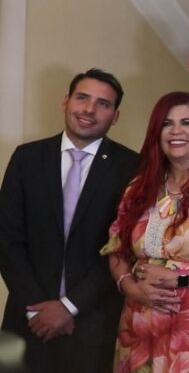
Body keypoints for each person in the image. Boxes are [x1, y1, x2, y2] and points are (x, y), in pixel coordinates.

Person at [0, 69, 138, 372]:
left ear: (115, 116)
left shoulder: (132, 167)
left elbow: (124, 246)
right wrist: (38, 308)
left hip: (93, 322)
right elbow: (7, 239)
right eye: (82, 98)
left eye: (103, 104)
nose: (89, 109)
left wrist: (68, 306)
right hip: (26, 318)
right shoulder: (27, 158)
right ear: (66, 101)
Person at [101, 92, 189, 372]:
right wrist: (130, 286)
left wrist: (179, 279)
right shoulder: (139, 189)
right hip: (139, 322)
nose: (176, 131)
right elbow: (116, 249)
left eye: (187, 122)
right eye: (167, 123)